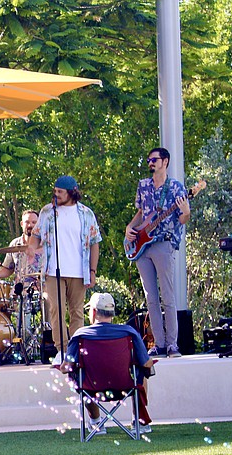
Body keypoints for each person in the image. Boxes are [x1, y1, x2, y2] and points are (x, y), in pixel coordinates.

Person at [124, 147, 190, 358]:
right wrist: (129, 228)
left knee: (167, 296)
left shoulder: (176, 188)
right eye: (149, 160)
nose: (151, 163)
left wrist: (186, 213)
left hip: (163, 243)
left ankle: (172, 344)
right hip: (143, 246)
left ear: (165, 162)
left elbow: (181, 219)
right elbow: (142, 212)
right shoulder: (143, 185)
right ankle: (158, 344)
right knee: (150, 297)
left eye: (155, 159)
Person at [27, 175, 101, 357]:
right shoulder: (47, 212)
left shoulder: (86, 213)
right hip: (53, 271)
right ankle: (62, 349)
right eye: (55, 191)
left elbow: (94, 243)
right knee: (56, 310)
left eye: (60, 192)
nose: (56, 195)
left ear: (72, 192)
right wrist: (30, 248)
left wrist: (92, 271)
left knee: (77, 311)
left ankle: (75, 350)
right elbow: (35, 236)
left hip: (79, 271)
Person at [64, 293, 156, 435]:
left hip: (91, 389)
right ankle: (139, 421)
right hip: (125, 386)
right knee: (141, 373)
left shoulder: (80, 335)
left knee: (79, 377)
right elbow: (146, 362)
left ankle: (96, 422)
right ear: (112, 313)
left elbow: (67, 366)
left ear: (93, 312)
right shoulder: (128, 332)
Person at [0, 209, 43, 287]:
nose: (30, 225)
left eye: (34, 222)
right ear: (21, 224)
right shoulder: (15, 244)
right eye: (27, 222)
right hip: (19, 292)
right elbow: (8, 268)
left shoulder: (45, 244)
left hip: (41, 292)